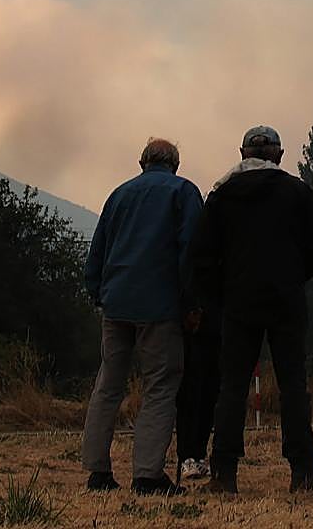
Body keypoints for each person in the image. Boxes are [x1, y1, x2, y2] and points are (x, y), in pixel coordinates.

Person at [189, 125, 313, 495]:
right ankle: (303, 473)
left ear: (242, 154)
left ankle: (224, 475)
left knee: (233, 386)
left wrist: (221, 292)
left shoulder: (222, 196)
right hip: (285, 300)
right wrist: (291, 277)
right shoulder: (298, 192)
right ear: (279, 155)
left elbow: (202, 256)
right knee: (293, 387)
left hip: (239, 302)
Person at [81, 138, 203, 495]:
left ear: (141, 162)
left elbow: (98, 249)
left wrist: (98, 292)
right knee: (161, 386)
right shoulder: (183, 192)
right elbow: (190, 252)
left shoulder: (119, 195)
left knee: (108, 384)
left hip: (116, 302)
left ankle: (97, 471)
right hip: (160, 307)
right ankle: (147, 475)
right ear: (175, 164)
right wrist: (191, 304)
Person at [174, 280, 221, 481]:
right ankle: (186, 457)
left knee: (210, 393)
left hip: (216, 319)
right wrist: (191, 307)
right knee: (190, 391)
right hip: (193, 320)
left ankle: (199, 455)